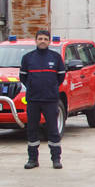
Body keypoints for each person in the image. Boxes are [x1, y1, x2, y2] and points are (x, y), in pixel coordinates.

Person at [19, 30, 66, 169]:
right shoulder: (27, 58)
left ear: (49, 41)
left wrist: (50, 87)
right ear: (36, 40)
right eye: (40, 38)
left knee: (53, 130)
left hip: (51, 100)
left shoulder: (56, 57)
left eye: (45, 39)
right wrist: (33, 87)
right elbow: (23, 77)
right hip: (33, 100)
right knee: (32, 130)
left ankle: (56, 159)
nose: (43, 41)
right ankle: (32, 159)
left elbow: (60, 77)